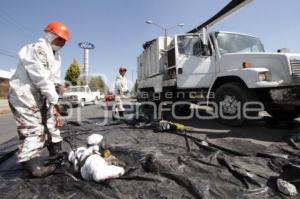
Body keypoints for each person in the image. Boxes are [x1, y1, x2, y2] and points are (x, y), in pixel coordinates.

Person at [8, 21, 70, 177]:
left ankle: (56, 155)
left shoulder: (57, 57)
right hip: (24, 96)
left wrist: (58, 90)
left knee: (52, 124)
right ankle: (32, 166)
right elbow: (41, 79)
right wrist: (55, 101)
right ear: (51, 36)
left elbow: (53, 80)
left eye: (64, 41)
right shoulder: (36, 49)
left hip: (42, 96)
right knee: (33, 129)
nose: (62, 43)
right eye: (60, 39)